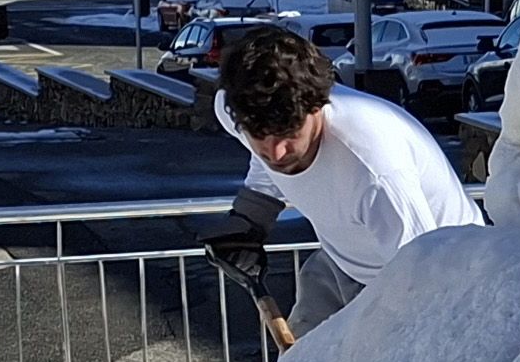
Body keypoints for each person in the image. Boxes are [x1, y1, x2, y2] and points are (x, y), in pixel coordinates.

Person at [201, 24, 481, 332]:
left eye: (288, 134)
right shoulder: (237, 110)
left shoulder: (374, 169)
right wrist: (250, 218)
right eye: (259, 135)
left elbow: (426, 278)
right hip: (341, 261)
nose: (276, 153)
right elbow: (265, 161)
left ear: (317, 106)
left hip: (440, 274)